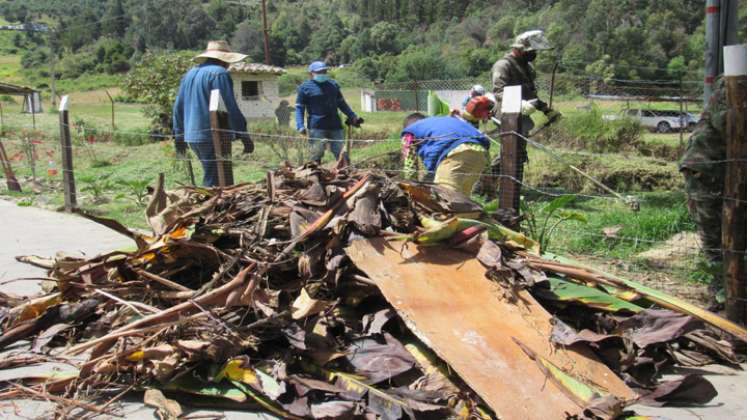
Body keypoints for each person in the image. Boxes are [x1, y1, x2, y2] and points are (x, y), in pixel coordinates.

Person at [173, 40, 253, 187]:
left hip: (192, 136)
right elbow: (230, 107)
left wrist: (179, 136)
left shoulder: (189, 74)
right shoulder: (220, 74)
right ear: (224, 60)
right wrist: (244, 135)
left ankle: (217, 205)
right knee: (215, 181)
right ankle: (211, 208)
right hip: (213, 136)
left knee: (215, 176)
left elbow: (178, 107)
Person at [679, 77, 727, 308]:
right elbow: (727, 123)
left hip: (726, 171)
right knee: (714, 235)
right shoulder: (733, 85)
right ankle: (722, 292)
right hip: (705, 170)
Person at [401, 113, 490, 196]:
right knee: (463, 198)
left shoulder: (409, 132)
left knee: (445, 196)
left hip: (455, 155)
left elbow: (410, 166)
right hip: (479, 155)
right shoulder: (443, 122)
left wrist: (410, 189)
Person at [295, 61, 363, 163]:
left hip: (335, 124)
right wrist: (300, 125)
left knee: (340, 152)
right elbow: (299, 108)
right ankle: (315, 175)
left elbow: (342, 103)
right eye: (319, 72)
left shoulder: (333, 85)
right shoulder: (305, 88)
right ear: (311, 73)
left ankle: (346, 172)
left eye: (324, 71)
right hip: (316, 126)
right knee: (316, 154)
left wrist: (353, 116)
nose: (322, 74)